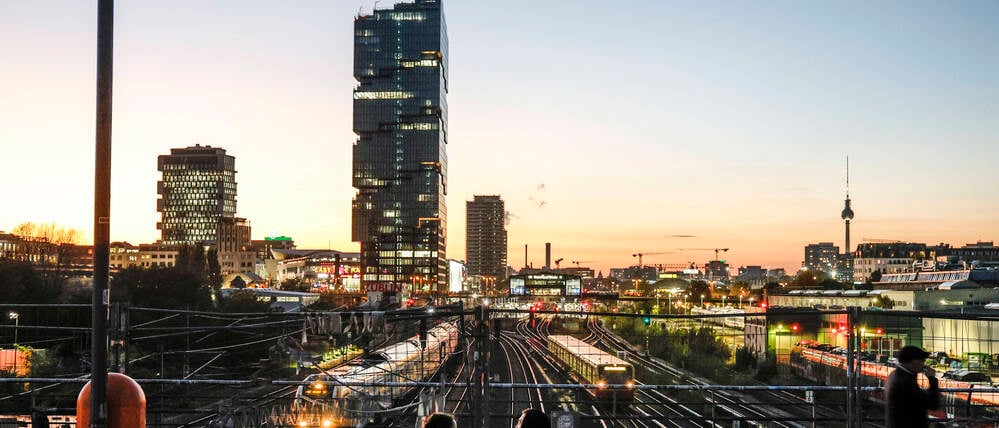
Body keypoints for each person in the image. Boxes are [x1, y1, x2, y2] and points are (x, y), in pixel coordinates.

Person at [884, 345, 940, 427]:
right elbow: (932, 404)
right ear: (913, 361)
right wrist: (932, 379)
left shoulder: (897, 375)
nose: (923, 364)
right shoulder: (905, 381)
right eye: (922, 360)